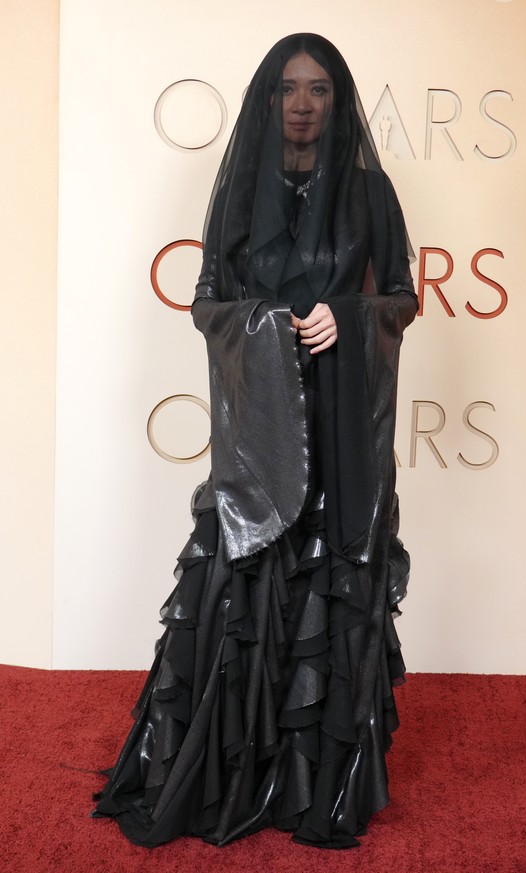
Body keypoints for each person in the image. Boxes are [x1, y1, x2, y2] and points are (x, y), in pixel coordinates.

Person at [93, 32, 418, 849]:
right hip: (261, 437)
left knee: (331, 592)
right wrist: (271, 322)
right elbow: (208, 304)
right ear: (267, 100)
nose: (302, 104)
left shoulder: (373, 196)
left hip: (343, 434)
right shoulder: (238, 189)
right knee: (243, 593)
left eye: (319, 90)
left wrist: (346, 316)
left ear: (338, 103)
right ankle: (234, 771)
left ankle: (314, 786)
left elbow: (404, 300)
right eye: (287, 88)